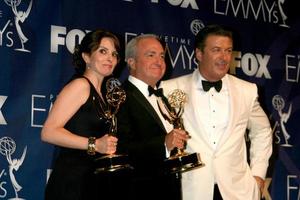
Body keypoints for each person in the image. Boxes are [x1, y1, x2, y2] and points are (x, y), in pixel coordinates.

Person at [160, 24, 273, 200]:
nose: (224, 57)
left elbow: (263, 131)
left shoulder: (247, 90)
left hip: (237, 190)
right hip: (191, 190)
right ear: (199, 54)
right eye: (216, 50)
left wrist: (258, 174)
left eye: (228, 50)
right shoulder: (170, 88)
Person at [41, 29, 127, 200]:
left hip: (93, 181)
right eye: (103, 51)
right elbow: (48, 132)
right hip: (72, 184)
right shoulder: (81, 85)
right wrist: (94, 144)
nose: (110, 58)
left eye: (114, 54)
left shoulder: (104, 94)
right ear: (87, 57)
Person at [116, 34, 190, 200]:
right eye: (151, 55)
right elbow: (120, 150)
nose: (159, 61)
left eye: (162, 56)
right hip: (139, 191)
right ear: (131, 62)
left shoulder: (162, 97)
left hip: (168, 189)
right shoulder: (121, 97)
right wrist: (164, 143)